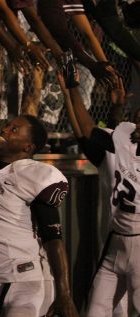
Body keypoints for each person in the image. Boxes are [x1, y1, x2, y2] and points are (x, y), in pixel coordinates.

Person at [0, 114, 79, 317]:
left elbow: (53, 238)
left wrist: (64, 293)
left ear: (28, 147)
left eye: (14, 130)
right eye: (6, 126)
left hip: (27, 281)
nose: (4, 130)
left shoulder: (35, 175)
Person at [66, 70, 140, 316]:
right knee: (96, 310)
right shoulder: (128, 140)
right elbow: (91, 130)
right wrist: (72, 87)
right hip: (115, 241)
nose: (137, 122)